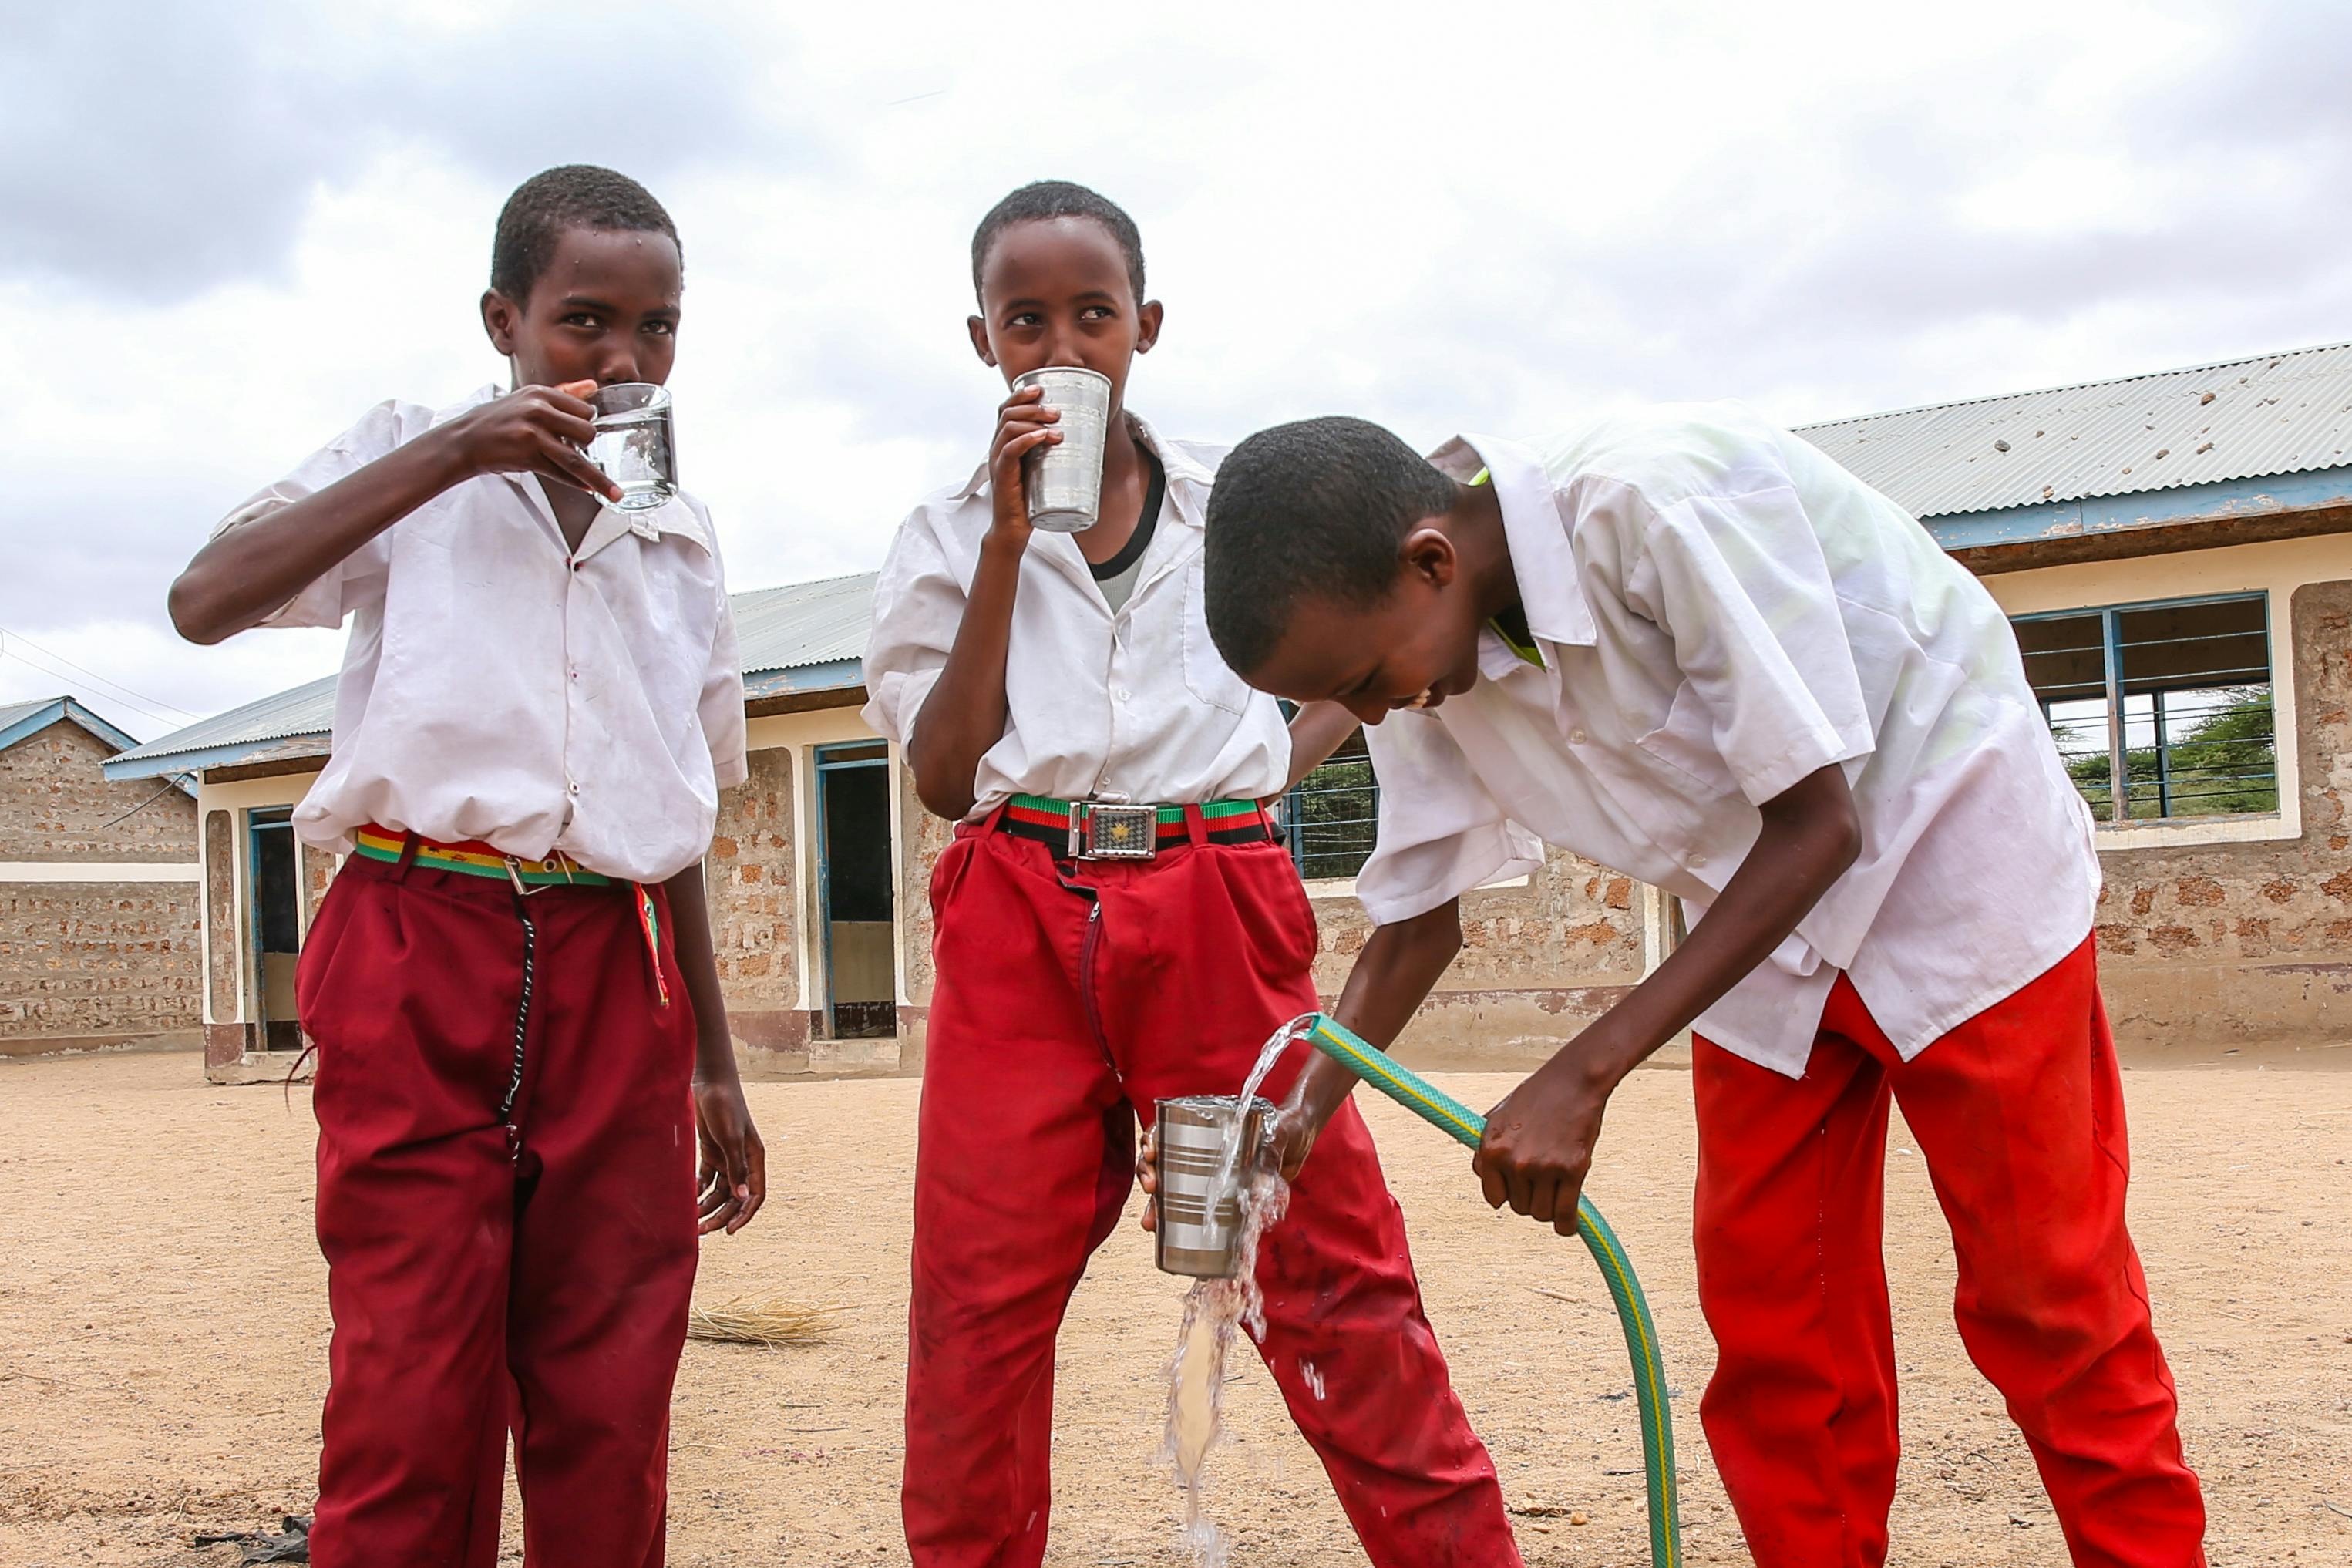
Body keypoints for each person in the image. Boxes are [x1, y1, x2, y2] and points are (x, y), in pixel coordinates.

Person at [1198, 406, 2209, 1568]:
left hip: (1950, 855)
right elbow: (1417, 924)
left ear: (1432, 558)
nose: (1374, 713)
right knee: (1779, 1319)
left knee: (2049, 1297)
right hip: (1753, 918)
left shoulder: (1653, 502)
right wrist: (1295, 1120)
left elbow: (1823, 822)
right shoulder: (1415, 647)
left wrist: (1585, 1070)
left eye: (1368, 684)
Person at [860, 181, 1521, 1568]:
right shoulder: (937, 532)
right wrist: (999, 544)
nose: (1062, 346)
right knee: (976, 1307)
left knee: (1328, 1265)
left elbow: (1403, 581)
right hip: (1018, 909)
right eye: (1024, 320)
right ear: (982, 343)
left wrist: (1285, 755)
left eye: (1092, 315)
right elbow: (939, 773)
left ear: (1144, 325)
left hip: (1214, 902)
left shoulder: (1239, 504)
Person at [166, 164, 765, 1568]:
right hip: (416, 934)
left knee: (612, 1377)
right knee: (414, 1376)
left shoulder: (677, 537)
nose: (622, 362)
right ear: (505, 320)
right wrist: (455, 453)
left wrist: (715, 1060)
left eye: (657, 329)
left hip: (621, 962)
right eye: (583, 323)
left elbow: (672, 799)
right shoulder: (411, 463)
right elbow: (204, 600)